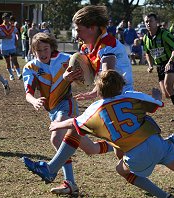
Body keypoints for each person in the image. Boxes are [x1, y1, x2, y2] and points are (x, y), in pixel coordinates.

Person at [22, 70, 174, 198]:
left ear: (98, 90)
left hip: (135, 156)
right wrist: (157, 96)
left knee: (121, 168)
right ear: (121, 86)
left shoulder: (93, 109)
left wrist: (57, 125)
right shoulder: (130, 96)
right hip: (157, 145)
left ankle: (163, 195)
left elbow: (75, 123)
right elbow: (155, 106)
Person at [22, 32, 114, 195]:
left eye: (46, 49)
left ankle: (55, 173)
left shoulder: (67, 59)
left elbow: (91, 70)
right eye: (39, 50)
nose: (43, 53)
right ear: (33, 51)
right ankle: (125, 145)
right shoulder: (30, 67)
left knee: (57, 137)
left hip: (67, 103)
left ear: (51, 47)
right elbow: (28, 92)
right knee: (90, 148)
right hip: (52, 110)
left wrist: (80, 77)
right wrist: (34, 101)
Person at [71, 5, 134, 101]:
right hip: (108, 94)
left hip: (122, 95)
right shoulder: (87, 46)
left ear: (92, 28)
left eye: (79, 30)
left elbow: (107, 75)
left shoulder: (107, 44)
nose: (77, 36)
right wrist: (67, 76)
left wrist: (94, 92)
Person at [0, 13, 22, 80]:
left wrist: (16, 40)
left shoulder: (13, 27)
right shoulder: (0, 27)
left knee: (15, 60)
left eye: (8, 18)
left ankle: (19, 74)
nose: (7, 20)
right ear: (3, 19)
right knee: (7, 62)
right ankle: (11, 75)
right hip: (4, 47)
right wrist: (6, 36)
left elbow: (17, 33)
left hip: (12, 46)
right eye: (6, 18)